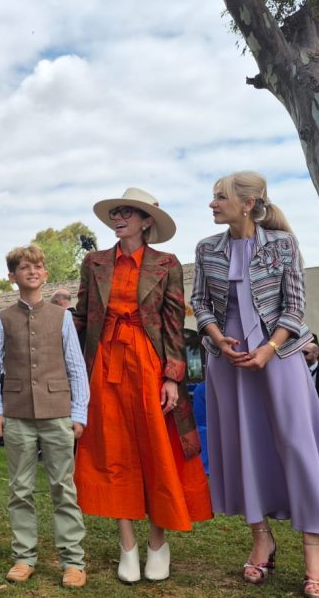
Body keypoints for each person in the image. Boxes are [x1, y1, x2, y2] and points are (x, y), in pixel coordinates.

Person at [191, 171, 319, 598]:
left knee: (296, 444)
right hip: (226, 359)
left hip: (279, 353)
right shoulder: (206, 249)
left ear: (247, 203)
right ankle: (261, 538)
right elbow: (199, 302)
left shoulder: (282, 244)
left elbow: (296, 304)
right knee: (242, 444)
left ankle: (313, 547)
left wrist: (268, 348)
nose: (212, 204)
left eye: (220, 197)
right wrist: (216, 338)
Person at [73, 187, 211, 584]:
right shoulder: (94, 262)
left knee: (157, 448)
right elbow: (82, 317)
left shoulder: (165, 264)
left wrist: (172, 376)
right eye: (115, 213)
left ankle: (157, 542)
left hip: (149, 364)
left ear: (146, 221)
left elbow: (172, 324)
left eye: (128, 214)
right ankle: (127, 544)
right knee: (113, 449)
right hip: (104, 364)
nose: (119, 219)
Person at [0, 244, 90, 589]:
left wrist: (79, 412)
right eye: (24, 267)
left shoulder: (62, 317)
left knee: (63, 486)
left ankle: (73, 560)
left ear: (44, 274)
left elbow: (76, 366)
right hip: (16, 414)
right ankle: (24, 556)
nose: (32, 271)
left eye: (38, 266)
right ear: (12, 276)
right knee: (20, 489)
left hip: (58, 411)